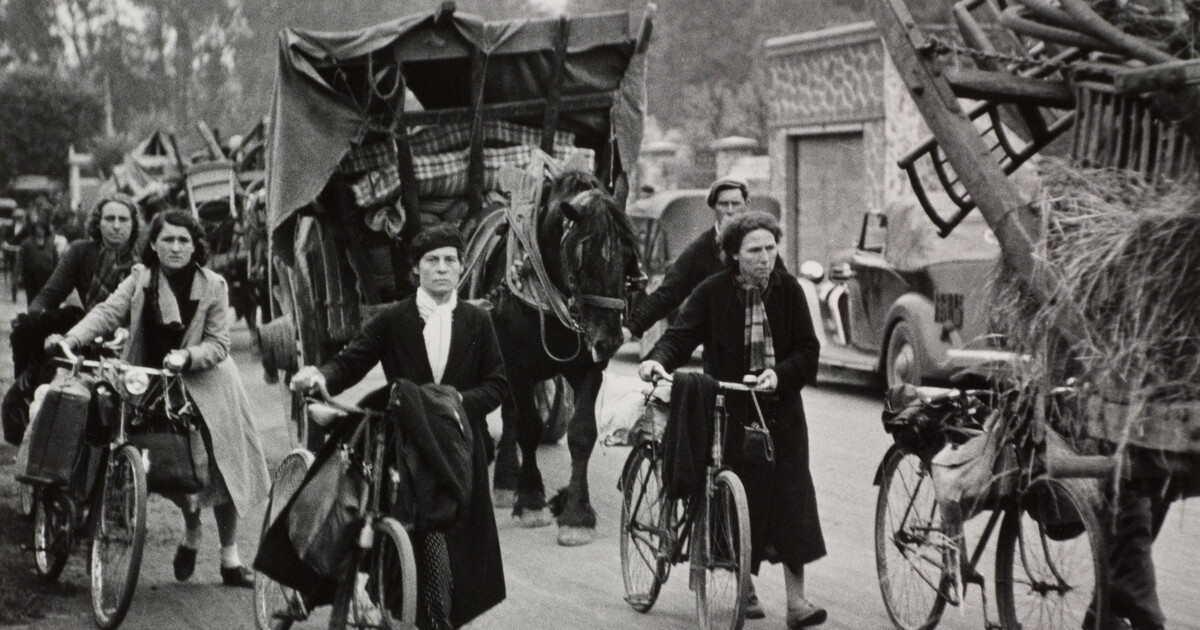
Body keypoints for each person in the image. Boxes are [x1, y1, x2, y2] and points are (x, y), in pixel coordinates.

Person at [290, 223, 507, 629]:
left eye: (449, 261)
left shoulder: (478, 321)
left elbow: (496, 384)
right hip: (403, 440)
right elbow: (353, 360)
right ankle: (379, 596)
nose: (441, 269)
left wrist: (458, 402)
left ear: (461, 267)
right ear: (416, 271)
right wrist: (321, 377)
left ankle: (441, 615)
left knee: (457, 534)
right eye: (432, 261)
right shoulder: (394, 319)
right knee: (392, 520)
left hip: (460, 442)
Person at [48, 209, 271, 588]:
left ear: (195, 245)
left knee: (223, 464)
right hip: (150, 380)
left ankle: (230, 557)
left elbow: (219, 344)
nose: (176, 247)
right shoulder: (140, 280)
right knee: (166, 463)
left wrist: (188, 356)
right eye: (167, 239)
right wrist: (71, 339)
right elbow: (106, 313)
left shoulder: (213, 285)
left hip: (209, 380)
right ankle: (191, 531)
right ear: (152, 243)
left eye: (184, 240)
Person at [638, 211, 827, 627]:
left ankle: (797, 603)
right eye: (754, 250)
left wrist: (779, 374)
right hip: (730, 410)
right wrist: (656, 362)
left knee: (794, 501)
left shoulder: (789, 290)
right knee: (733, 499)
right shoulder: (711, 292)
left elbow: (808, 351)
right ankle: (745, 587)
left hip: (782, 414)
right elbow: (679, 337)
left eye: (771, 248)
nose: (764, 258)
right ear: (734, 255)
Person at [624, 178, 784, 354]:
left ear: (746, 205)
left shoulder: (762, 245)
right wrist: (631, 328)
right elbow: (667, 294)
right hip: (721, 351)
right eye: (723, 204)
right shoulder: (701, 250)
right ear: (713, 207)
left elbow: (785, 291)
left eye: (735, 204)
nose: (730, 211)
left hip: (764, 344)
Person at [29, 194, 140, 313]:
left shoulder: (142, 257)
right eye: (110, 218)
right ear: (98, 223)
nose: (116, 226)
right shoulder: (81, 252)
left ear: (133, 225)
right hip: (89, 326)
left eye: (123, 219)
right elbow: (50, 295)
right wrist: (33, 316)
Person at [15, 219, 58, 305]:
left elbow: (56, 260)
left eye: (42, 228)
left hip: (47, 276)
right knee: (32, 299)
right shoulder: (26, 243)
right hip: (31, 276)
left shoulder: (50, 243)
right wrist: (18, 275)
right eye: (38, 228)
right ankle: (31, 317)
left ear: (46, 230)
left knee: (45, 300)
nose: (40, 230)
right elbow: (20, 260)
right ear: (34, 229)